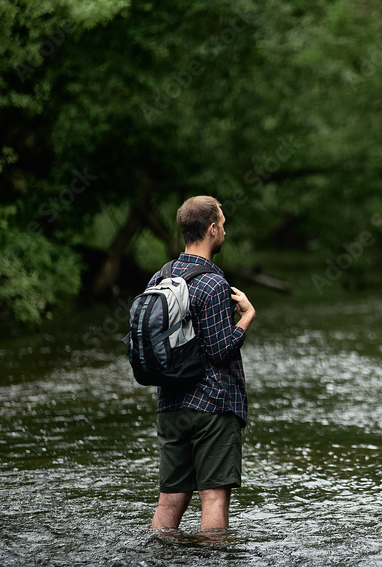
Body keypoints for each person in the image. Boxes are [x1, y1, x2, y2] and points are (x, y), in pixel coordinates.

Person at [149, 195, 256, 535]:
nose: (224, 231)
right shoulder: (213, 283)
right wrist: (247, 318)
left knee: (169, 500)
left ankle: (158, 557)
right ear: (211, 229)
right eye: (222, 225)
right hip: (211, 406)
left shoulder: (158, 278)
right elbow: (221, 350)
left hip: (169, 406)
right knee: (213, 499)